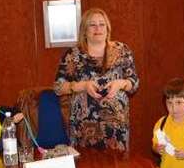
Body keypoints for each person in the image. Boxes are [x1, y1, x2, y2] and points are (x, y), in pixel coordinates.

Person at [54, 8, 139, 151]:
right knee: (86, 164)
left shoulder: (122, 50)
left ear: (107, 28)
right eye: (92, 25)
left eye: (102, 24)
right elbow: (58, 87)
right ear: (84, 30)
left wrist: (121, 83)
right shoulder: (72, 55)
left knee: (117, 165)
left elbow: (134, 83)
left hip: (116, 128)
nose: (98, 28)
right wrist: (82, 86)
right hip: (83, 128)